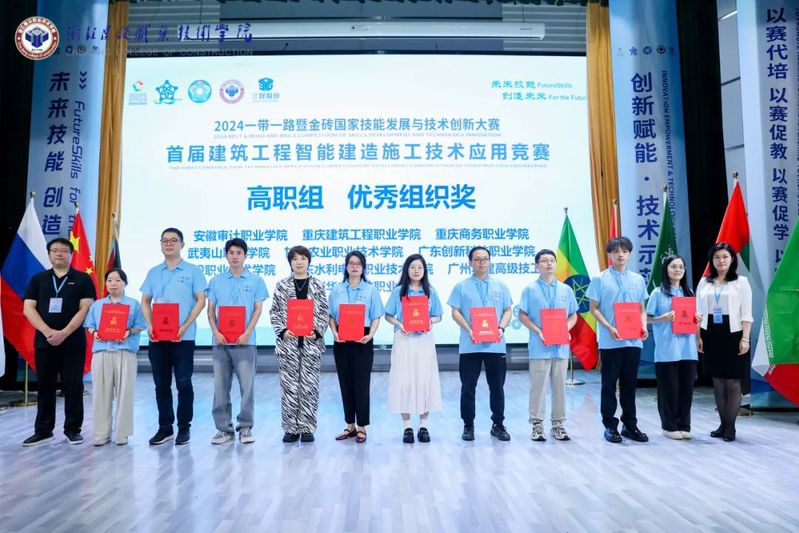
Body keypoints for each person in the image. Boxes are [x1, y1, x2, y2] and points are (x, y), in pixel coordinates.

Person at [21, 237, 96, 447]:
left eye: (64, 250)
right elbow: (28, 308)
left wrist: (64, 332)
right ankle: (43, 431)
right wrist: (47, 332)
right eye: (55, 250)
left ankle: (73, 429)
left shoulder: (82, 279)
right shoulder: (38, 279)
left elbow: (85, 309)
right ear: (49, 254)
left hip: (73, 342)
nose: (59, 254)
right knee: (45, 386)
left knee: (73, 386)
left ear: (71, 254)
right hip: (45, 342)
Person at [140, 228, 207, 446]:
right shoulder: (153, 272)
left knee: (184, 383)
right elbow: (145, 301)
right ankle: (165, 428)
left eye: (173, 240)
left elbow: (201, 300)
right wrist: (150, 324)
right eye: (165, 241)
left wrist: (185, 325)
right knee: (161, 385)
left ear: (182, 245)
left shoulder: (193, 271)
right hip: (157, 338)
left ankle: (184, 428)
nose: (168, 244)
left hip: (183, 338)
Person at [447, 246, 513, 442]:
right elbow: (455, 312)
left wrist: (501, 328)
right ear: (470, 262)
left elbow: (508, 310)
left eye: (485, 259)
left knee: (497, 387)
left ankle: (498, 425)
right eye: (477, 259)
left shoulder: (501, 285)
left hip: (495, 345)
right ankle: (468, 425)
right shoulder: (461, 286)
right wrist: (469, 329)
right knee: (468, 387)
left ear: (490, 261)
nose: (481, 262)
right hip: (470, 345)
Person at [587, 236, 649, 444]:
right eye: (616, 251)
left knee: (630, 385)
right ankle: (610, 425)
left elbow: (641, 308)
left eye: (624, 251)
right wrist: (609, 327)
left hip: (633, 341)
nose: (620, 255)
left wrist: (643, 326)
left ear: (629, 254)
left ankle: (630, 425)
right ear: (609, 254)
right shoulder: (599, 279)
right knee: (609, 385)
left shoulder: (638, 279)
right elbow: (593, 308)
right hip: (610, 340)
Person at [207, 238, 268, 445]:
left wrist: (247, 332)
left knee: (247, 388)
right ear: (226, 256)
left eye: (239, 253)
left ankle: (245, 427)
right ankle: (224, 429)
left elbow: (258, 310)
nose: (235, 256)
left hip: (246, 342)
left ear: (245, 256)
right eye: (231, 252)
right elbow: (211, 310)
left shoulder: (256, 280)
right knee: (220, 388)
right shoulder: (216, 281)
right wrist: (216, 332)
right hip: (221, 342)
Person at [269, 245, 329, 443]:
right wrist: (283, 331)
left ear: (308, 261)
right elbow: (275, 312)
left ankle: (307, 427)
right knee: (289, 386)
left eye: (303, 258)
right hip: (288, 344)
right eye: (295, 259)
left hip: (311, 344)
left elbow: (324, 312)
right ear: (290, 263)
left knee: (309, 386)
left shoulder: (318, 285)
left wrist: (317, 331)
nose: (299, 262)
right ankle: (290, 429)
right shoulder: (282, 285)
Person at [518, 249, 578, 442]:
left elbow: (573, 314)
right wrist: (538, 331)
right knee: (538, 388)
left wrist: (566, 328)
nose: (549, 263)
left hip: (560, 348)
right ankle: (537, 425)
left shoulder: (566, 290)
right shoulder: (530, 290)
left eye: (552, 260)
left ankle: (558, 424)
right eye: (544, 261)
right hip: (539, 347)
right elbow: (522, 315)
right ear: (537, 266)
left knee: (560, 388)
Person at [696, 242, 753, 442]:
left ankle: (731, 427)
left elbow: (747, 313)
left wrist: (745, 338)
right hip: (710, 332)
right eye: (717, 257)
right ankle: (722, 424)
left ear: (732, 259)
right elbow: (698, 312)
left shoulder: (741, 282)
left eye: (725, 257)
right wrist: (698, 336)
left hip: (734, 333)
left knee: (733, 381)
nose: (721, 261)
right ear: (712, 260)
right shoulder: (704, 282)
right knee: (718, 381)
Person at [385, 254, 443, 444]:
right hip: (404, 340)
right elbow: (388, 315)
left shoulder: (430, 292)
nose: (416, 271)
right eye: (412, 267)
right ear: (406, 270)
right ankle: (407, 427)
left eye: (420, 267)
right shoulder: (398, 291)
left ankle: (424, 426)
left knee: (425, 380)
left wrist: (430, 322)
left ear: (424, 271)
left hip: (424, 341)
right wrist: (400, 324)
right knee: (404, 381)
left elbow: (438, 316)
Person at [84, 268, 146, 446]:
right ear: (105, 284)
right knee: (100, 394)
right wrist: (95, 332)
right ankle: (101, 434)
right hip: (102, 352)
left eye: (118, 280)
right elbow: (90, 325)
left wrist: (128, 331)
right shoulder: (97, 305)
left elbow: (140, 325)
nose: (113, 283)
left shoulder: (133, 304)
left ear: (125, 283)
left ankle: (122, 434)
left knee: (125, 393)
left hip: (124, 352)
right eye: (110, 280)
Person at [328, 250, 384, 444]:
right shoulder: (337, 289)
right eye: (351, 263)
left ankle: (362, 427)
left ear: (363, 268)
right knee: (345, 383)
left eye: (358, 264)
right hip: (341, 340)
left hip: (363, 339)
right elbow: (331, 316)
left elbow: (376, 316)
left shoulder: (370, 290)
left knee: (362, 384)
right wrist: (334, 332)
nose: (354, 266)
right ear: (346, 266)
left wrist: (371, 335)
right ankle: (349, 425)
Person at [646, 255, 699, 440]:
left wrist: (697, 319)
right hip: (667, 349)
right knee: (669, 389)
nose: (678, 270)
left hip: (688, 349)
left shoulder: (689, 292)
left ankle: (684, 424)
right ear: (666, 270)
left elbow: (693, 319)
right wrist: (662, 318)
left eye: (681, 267)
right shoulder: (657, 293)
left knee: (686, 389)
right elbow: (646, 318)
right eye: (673, 266)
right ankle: (669, 426)